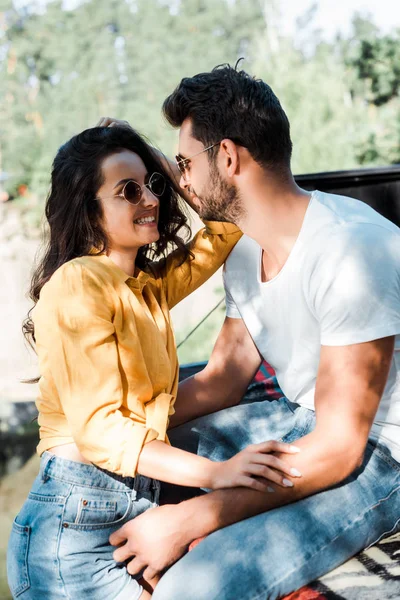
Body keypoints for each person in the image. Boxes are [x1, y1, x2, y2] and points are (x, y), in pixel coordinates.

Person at [108, 65, 400, 600]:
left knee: (193, 587)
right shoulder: (244, 249)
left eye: (183, 164)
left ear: (227, 156)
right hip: (299, 416)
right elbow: (223, 378)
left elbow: (337, 449)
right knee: (129, 458)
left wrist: (190, 518)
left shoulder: (348, 252)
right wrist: (116, 427)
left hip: (382, 452)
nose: (181, 181)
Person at [6, 124, 300, 600]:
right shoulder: (79, 283)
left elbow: (225, 229)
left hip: (130, 505)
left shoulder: (144, 287)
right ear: (89, 208)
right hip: (72, 533)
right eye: (128, 190)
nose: (150, 199)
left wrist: (165, 167)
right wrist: (216, 474)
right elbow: (102, 432)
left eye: (154, 186)